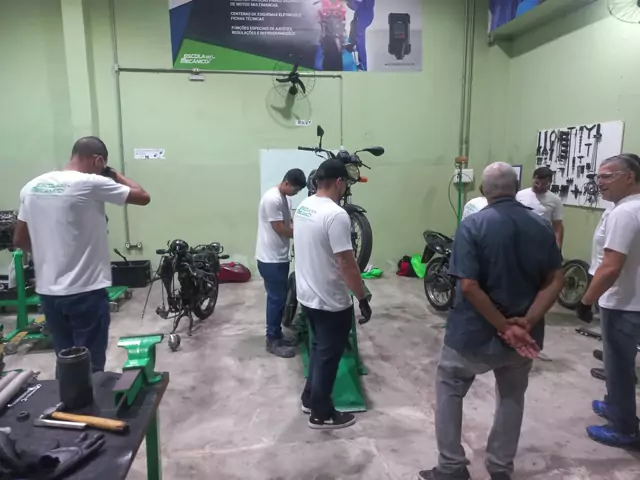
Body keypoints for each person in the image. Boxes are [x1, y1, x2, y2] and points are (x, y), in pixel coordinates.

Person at [418, 162, 564, 480]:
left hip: (472, 334)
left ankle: (451, 467)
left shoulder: (473, 225)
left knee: (449, 387)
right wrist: (525, 322)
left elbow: (469, 286)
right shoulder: (541, 225)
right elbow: (556, 278)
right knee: (512, 395)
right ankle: (500, 467)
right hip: (523, 338)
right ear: (517, 188)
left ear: (484, 191)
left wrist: (503, 326)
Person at [13, 136, 150, 373]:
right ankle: (88, 396)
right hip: (85, 290)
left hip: (49, 293)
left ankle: (65, 395)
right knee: (89, 365)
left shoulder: (32, 186)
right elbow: (143, 196)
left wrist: (51, 251)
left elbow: (19, 240)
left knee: (66, 360)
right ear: (98, 160)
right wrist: (112, 173)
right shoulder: (90, 182)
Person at [293, 159, 372, 430]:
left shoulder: (304, 207)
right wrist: (362, 297)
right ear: (339, 182)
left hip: (307, 294)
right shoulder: (336, 215)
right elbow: (347, 263)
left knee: (318, 349)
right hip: (330, 300)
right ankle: (321, 413)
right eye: (345, 183)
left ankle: (309, 398)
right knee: (328, 357)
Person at [577, 153, 640, 448]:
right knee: (620, 364)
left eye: (607, 176)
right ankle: (614, 405)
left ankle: (625, 429)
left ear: (629, 177)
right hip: (632, 298)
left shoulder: (625, 213)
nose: (599, 182)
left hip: (623, 302)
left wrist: (586, 300)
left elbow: (611, 267)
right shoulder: (629, 208)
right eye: (598, 176)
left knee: (618, 368)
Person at [255, 169, 307, 358]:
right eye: (295, 189)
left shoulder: (286, 199)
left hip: (279, 256)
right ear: (286, 183)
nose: (296, 193)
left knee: (280, 298)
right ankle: (272, 340)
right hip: (270, 259)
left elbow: (290, 224)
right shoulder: (272, 199)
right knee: (276, 299)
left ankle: (277, 334)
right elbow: (279, 228)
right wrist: (304, 235)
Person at [516, 167, 564, 249]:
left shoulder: (555, 200)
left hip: (543, 242)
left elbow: (557, 226)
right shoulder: (520, 195)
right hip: (521, 240)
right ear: (533, 179)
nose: (539, 186)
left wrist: (558, 248)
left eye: (544, 184)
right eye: (536, 183)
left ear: (549, 183)